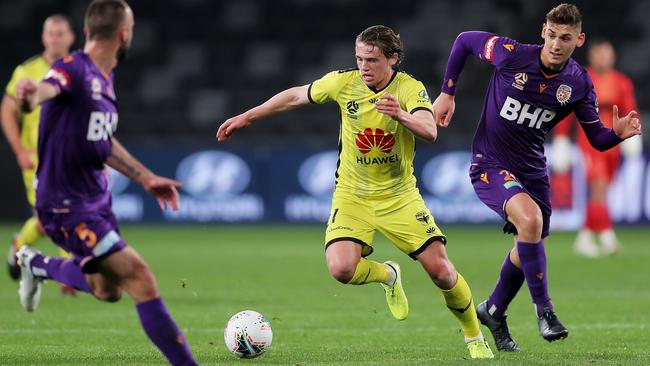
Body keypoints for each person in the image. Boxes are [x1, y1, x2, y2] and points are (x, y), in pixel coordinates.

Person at [217, 25, 494, 359]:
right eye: (360, 58)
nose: (364, 66)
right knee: (341, 269)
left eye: (372, 59)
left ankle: (474, 336)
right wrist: (248, 116)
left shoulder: (409, 88)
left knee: (442, 273)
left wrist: (400, 115)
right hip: (352, 194)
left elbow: (430, 130)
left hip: (398, 196)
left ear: (392, 59)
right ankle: (388, 275)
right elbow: (295, 96)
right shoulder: (343, 82)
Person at [431, 3, 641, 352]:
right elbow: (465, 40)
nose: (557, 44)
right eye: (553, 35)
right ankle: (545, 311)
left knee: (529, 239)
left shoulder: (577, 83)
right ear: (544, 30)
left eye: (566, 38)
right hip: (491, 163)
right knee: (529, 222)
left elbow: (598, 139)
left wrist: (617, 133)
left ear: (579, 39)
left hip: (533, 170)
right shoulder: (512, 54)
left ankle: (494, 309)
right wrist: (447, 91)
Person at [14, 1, 198, 365]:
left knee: (107, 290)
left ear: (86, 31)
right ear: (124, 33)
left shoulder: (104, 78)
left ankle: (36, 264)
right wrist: (29, 96)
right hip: (65, 206)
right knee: (140, 277)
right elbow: (45, 91)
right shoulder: (72, 68)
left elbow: (101, 141)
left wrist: (145, 178)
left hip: (95, 201)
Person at [2, 14, 76, 294]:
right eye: (51, 33)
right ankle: (66, 269)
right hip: (38, 157)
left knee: (64, 213)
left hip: (71, 157)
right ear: (44, 38)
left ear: (71, 37)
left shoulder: (79, 68)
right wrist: (20, 149)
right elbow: (7, 110)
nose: (56, 38)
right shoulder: (27, 71)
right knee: (48, 218)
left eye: (61, 33)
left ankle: (23, 246)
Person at [552, 39, 640, 257]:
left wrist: (633, 134)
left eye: (606, 54)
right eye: (598, 54)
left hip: (614, 143)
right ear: (591, 56)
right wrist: (561, 139)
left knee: (601, 192)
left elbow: (630, 109)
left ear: (612, 57)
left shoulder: (622, 82)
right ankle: (607, 236)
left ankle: (584, 237)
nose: (602, 58)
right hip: (590, 141)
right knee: (598, 187)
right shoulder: (580, 79)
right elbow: (567, 111)